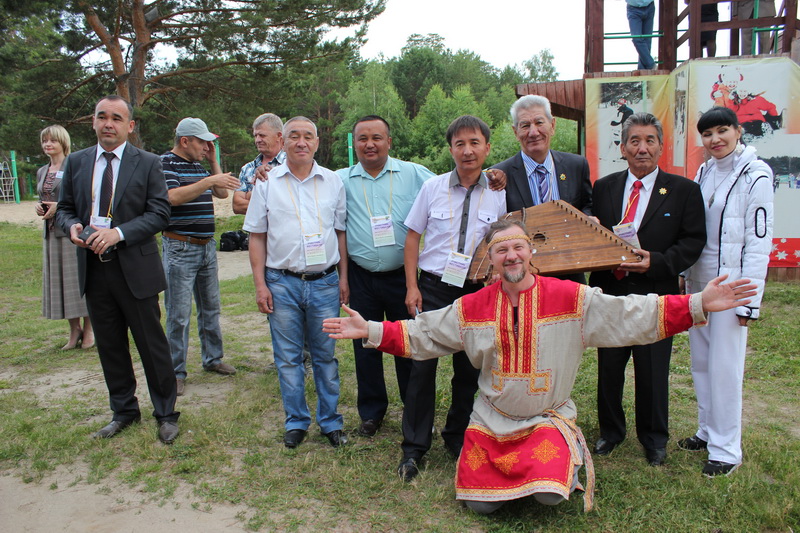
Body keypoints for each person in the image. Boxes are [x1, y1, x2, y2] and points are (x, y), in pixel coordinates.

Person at [323, 220, 756, 514]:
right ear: (489, 259)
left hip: (547, 419)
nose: (510, 256)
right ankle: (512, 477)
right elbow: (423, 335)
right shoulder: (471, 307)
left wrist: (699, 303)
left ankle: (544, 468)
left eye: (517, 247)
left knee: (550, 497)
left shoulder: (570, 298)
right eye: (500, 250)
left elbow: (631, 315)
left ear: (530, 251)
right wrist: (371, 331)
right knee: (479, 505)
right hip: (492, 420)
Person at [56, 95, 179, 444]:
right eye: (102, 117)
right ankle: (123, 410)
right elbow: (65, 209)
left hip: (134, 270)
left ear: (130, 126)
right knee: (110, 345)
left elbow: (159, 213)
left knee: (151, 345)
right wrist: (72, 228)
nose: (108, 123)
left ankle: (166, 413)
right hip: (94, 270)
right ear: (93, 122)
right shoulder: (78, 162)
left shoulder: (148, 163)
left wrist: (118, 233)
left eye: (116, 118)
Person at [589, 112, 706, 466]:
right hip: (611, 292)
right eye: (635, 141)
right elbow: (595, 236)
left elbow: (692, 242)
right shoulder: (604, 187)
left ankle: (654, 440)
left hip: (657, 293)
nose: (642, 148)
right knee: (609, 368)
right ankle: (611, 432)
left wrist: (654, 261)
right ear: (622, 148)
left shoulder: (685, 190)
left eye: (649, 141)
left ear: (660, 147)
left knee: (653, 369)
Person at [398, 115, 506, 481]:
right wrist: (412, 286)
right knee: (421, 368)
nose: (467, 150)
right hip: (433, 287)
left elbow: (508, 240)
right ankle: (413, 448)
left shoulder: (499, 190)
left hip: (478, 290)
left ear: (487, 148)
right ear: (451, 150)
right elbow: (413, 236)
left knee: (469, 370)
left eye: (475, 142)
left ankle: (457, 438)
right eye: (460, 144)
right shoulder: (431, 187)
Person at [679, 106, 774, 477]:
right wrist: (687, 275)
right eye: (707, 134)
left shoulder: (757, 175)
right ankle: (707, 430)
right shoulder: (704, 171)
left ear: (737, 131)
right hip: (702, 282)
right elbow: (695, 229)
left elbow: (759, 243)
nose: (715, 139)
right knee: (701, 362)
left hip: (732, 286)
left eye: (722, 131)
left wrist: (748, 302)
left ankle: (726, 450)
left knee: (725, 366)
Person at [243, 116, 348, 449]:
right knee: (287, 357)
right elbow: (256, 236)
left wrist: (343, 277)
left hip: (325, 283)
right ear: (282, 141)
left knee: (325, 356)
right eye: (293, 137)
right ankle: (296, 421)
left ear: (317, 142)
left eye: (308, 137)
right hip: (282, 283)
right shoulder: (267, 182)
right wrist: (260, 284)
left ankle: (331, 422)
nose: (301, 142)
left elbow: (340, 233)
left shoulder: (333, 182)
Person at [335, 115, 435, 437]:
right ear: (355, 144)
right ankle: (372, 412)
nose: (370, 144)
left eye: (377, 137)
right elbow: (305, 179)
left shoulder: (414, 174)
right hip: (361, 276)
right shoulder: (340, 180)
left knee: (407, 344)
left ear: (389, 142)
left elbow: (452, 185)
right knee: (365, 345)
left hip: (402, 278)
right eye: (362, 138)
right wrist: (269, 170)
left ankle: (413, 409)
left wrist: (493, 175)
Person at [161, 118, 240, 396]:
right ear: (185, 141)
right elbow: (172, 197)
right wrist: (208, 179)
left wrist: (214, 164)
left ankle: (213, 359)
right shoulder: (166, 163)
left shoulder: (198, 165)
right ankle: (175, 371)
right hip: (180, 248)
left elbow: (221, 192)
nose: (207, 146)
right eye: (202, 142)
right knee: (179, 314)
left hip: (206, 247)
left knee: (211, 307)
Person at [493, 94, 593, 283]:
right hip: (522, 276)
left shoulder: (576, 165)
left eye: (539, 122)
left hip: (571, 272)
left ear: (552, 125)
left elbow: (587, 205)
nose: (533, 132)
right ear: (515, 132)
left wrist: (588, 220)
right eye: (525, 125)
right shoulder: (500, 174)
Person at [36, 125, 93, 350]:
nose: (48, 144)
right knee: (61, 283)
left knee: (78, 281)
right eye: (45, 141)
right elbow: (44, 197)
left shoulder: (75, 165)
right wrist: (40, 209)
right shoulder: (42, 171)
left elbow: (83, 198)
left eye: (52, 140)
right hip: (51, 234)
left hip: (72, 232)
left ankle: (89, 330)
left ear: (63, 142)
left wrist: (58, 207)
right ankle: (74, 330)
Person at [232, 113, 285, 215]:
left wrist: (251, 195)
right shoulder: (247, 168)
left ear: (278, 136)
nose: (257, 140)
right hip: (255, 230)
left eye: (262, 135)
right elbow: (237, 206)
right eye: (255, 135)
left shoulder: (291, 164)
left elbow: (292, 204)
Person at [626, 0, 656, 70]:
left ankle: (642, 70)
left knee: (647, 41)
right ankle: (651, 65)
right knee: (637, 39)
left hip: (649, 6)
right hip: (633, 8)